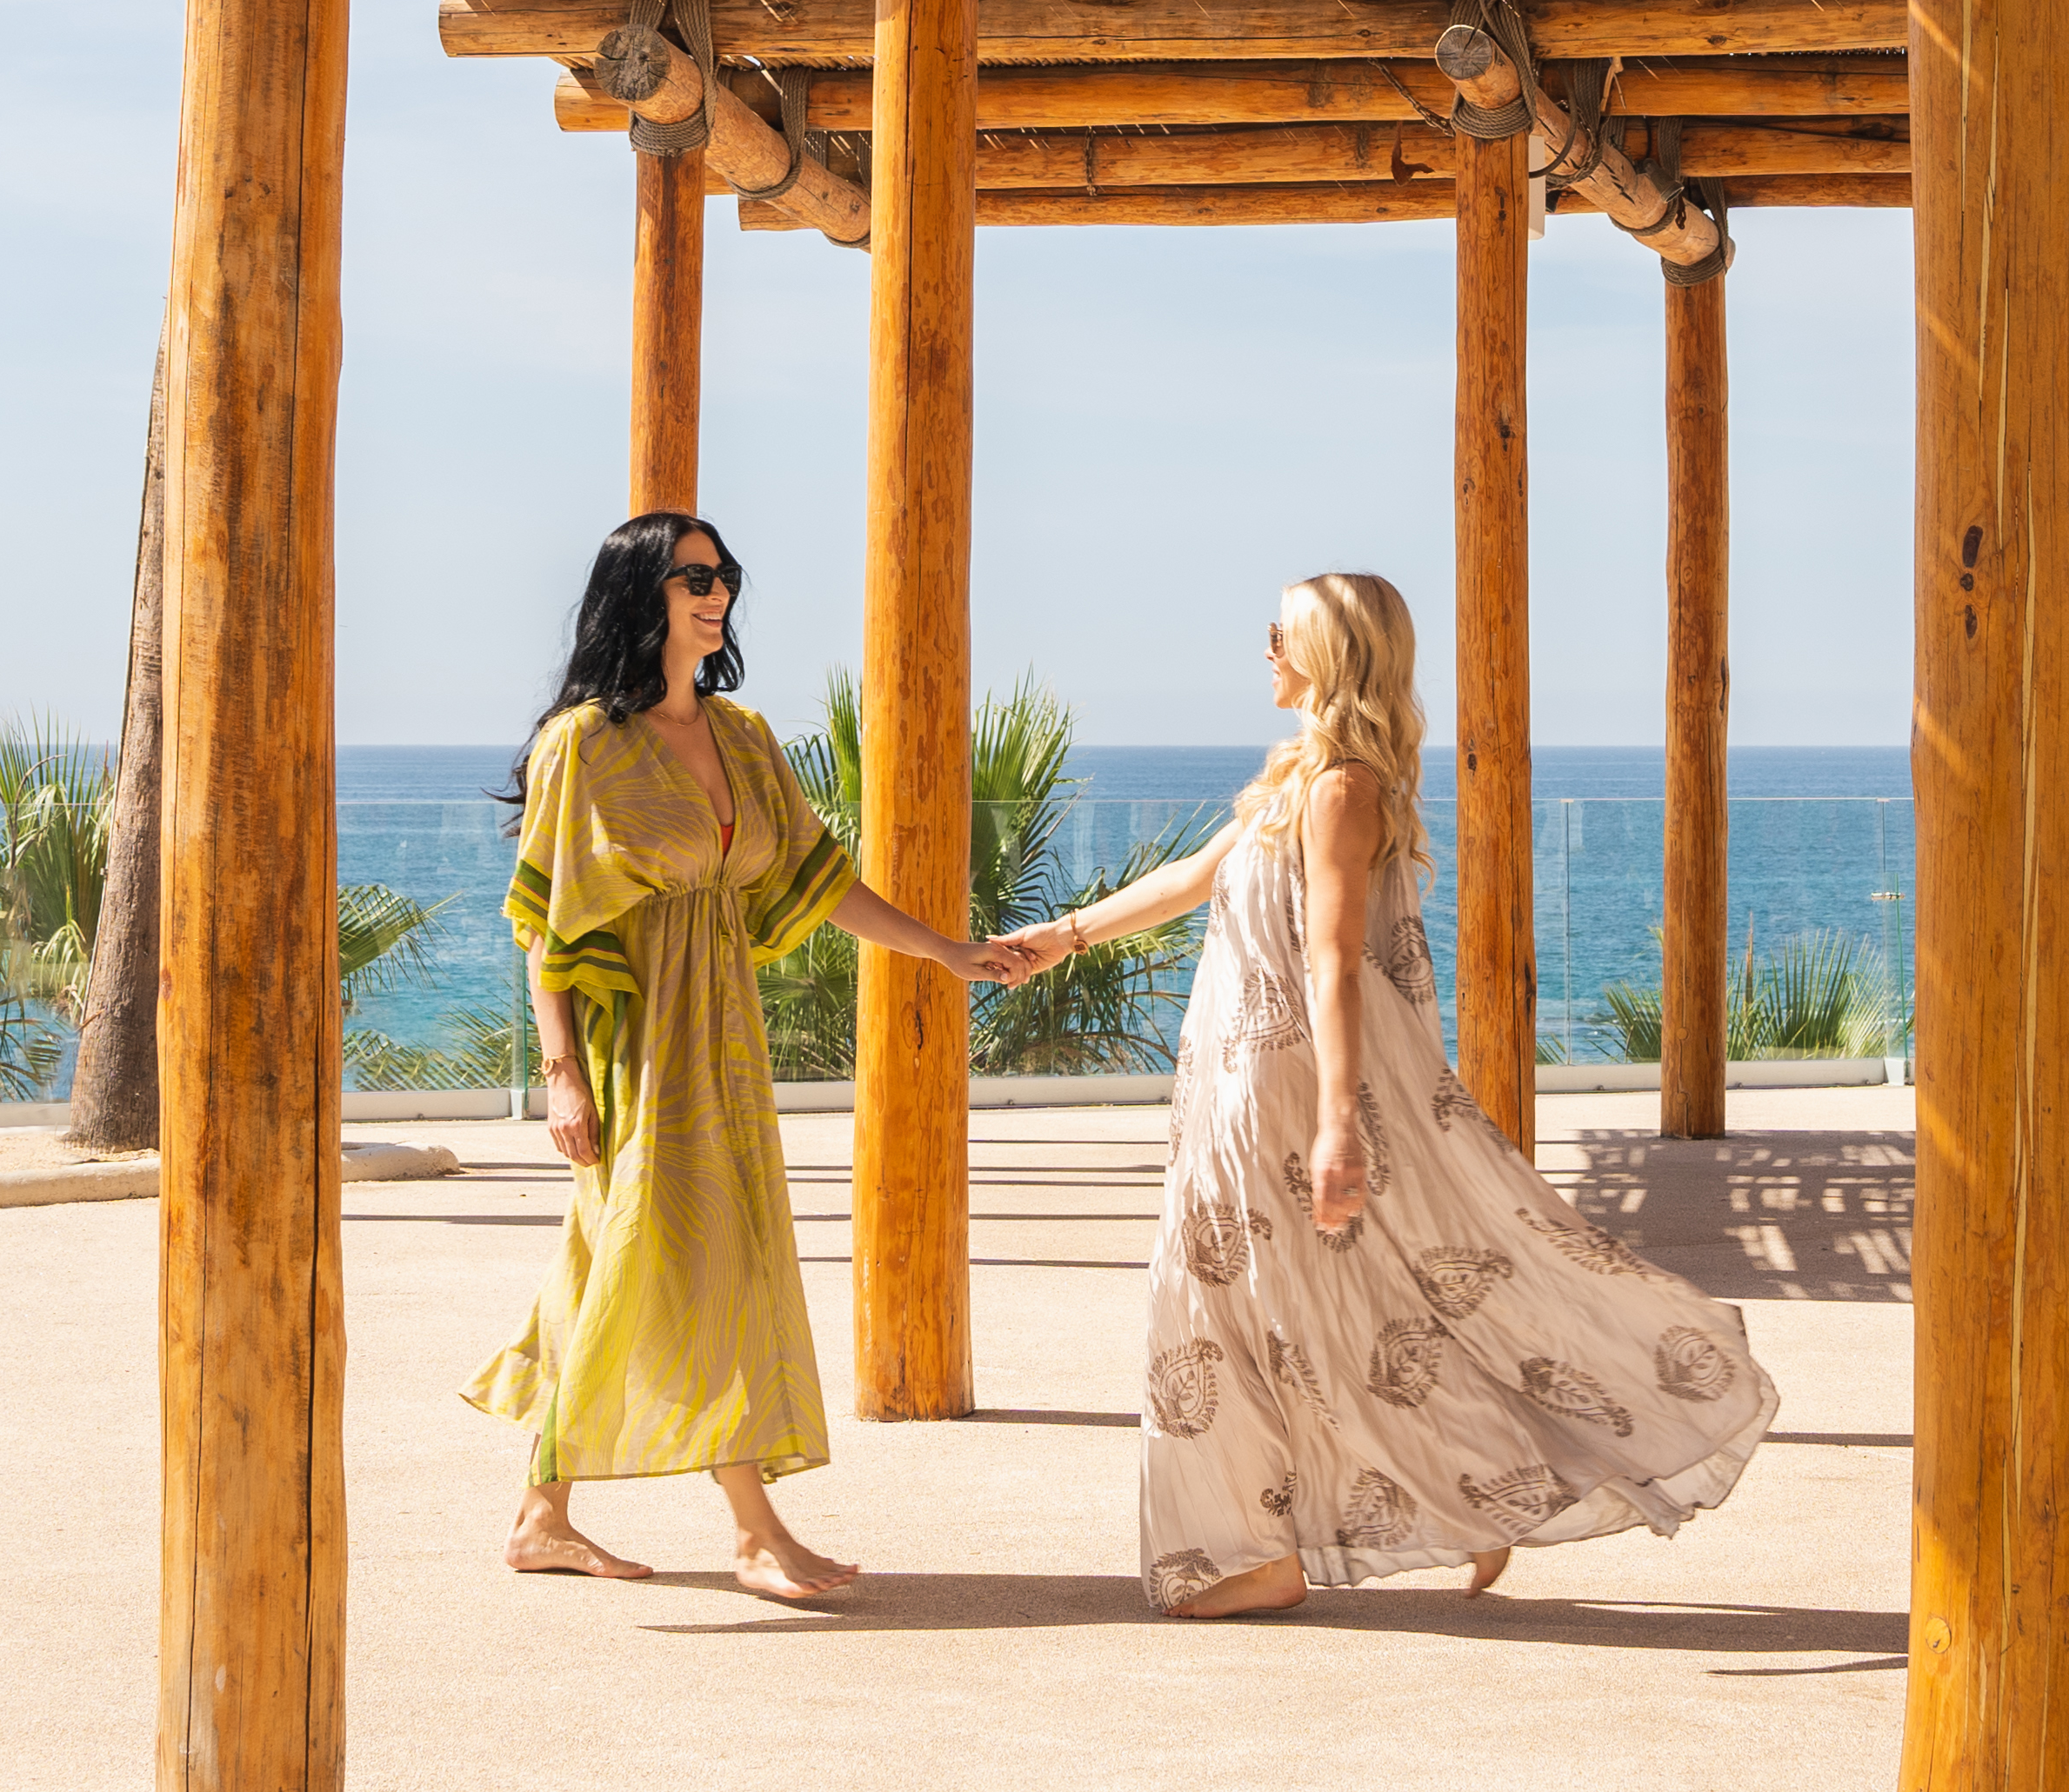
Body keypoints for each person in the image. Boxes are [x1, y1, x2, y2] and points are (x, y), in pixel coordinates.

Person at [978, 571, 1775, 1618]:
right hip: (1226, 1083)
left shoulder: (1345, 787)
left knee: (1276, 1304)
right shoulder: (1291, 781)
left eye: (1281, 632)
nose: (1263, 646)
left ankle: (1264, 1548)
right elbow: (1189, 881)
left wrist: (1338, 1119)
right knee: (1280, 1307)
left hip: (1276, 1085)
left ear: (1331, 652)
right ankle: (1378, 1518)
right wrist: (1058, 938)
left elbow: (1334, 957)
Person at [467, 510, 1004, 1608]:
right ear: (640, 593)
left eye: (725, 576)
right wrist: (560, 1068)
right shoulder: (585, 745)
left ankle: (541, 1515)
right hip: (636, 1043)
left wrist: (943, 950)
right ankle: (753, 1530)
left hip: (722, 1035)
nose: (716, 593)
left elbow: (815, 880)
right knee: (680, 1259)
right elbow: (547, 923)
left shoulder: (745, 736)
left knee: (638, 1262)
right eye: (693, 576)